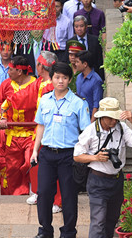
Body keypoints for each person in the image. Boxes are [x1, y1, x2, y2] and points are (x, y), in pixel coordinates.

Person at [31, 62, 91, 238]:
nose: (60, 81)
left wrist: (82, 156)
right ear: (51, 78)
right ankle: (45, 230)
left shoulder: (78, 103)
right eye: (57, 77)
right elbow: (40, 126)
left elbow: (86, 133)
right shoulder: (45, 99)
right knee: (43, 194)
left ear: (70, 80)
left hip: (68, 155)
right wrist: (35, 150)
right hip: (47, 154)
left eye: (64, 78)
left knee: (69, 196)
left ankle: (69, 232)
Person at [73, 98, 132, 238]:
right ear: (102, 116)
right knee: (98, 222)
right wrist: (95, 158)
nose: (114, 121)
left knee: (111, 221)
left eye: (116, 118)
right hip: (98, 180)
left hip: (117, 180)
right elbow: (76, 156)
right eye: (110, 118)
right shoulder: (91, 130)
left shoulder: (121, 127)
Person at [0, 55, 40, 196]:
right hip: (12, 134)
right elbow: (0, 105)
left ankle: (34, 193)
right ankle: (15, 196)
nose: (8, 72)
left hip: (31, 133)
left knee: (30, 163)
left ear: (19, 72)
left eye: (10, 69)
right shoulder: (6, 85)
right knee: (13, 168)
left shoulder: (36, 85)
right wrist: (2, 118)